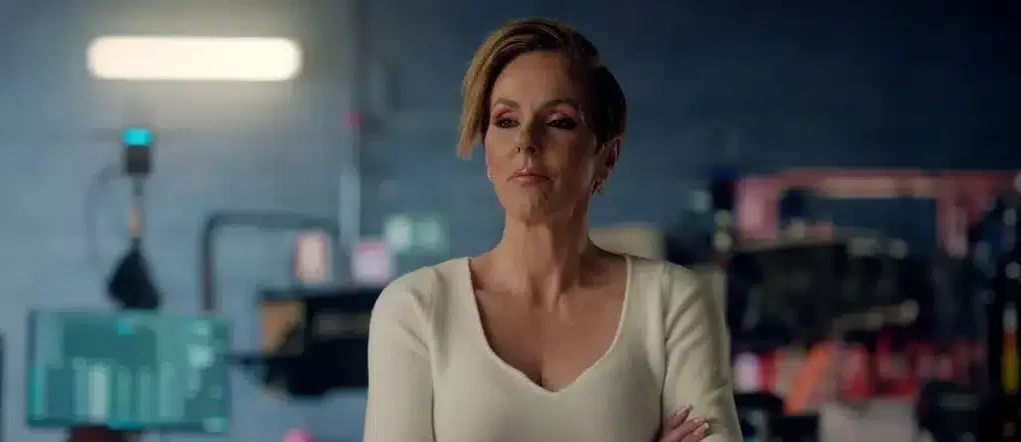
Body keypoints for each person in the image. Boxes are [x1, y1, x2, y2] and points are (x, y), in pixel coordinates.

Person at [364, 17, 742, 442]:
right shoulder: (416, 310)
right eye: (506, 120)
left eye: (559, 121)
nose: (526, 140)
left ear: (606, 157)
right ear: (488, 153)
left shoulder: (671, 304)